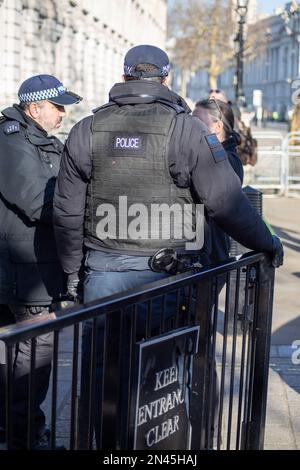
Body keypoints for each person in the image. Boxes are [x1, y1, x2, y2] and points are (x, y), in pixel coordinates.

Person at [53, 45, 283, 447]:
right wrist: (268, 243)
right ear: (167, 79)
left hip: (103, 279)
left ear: (124, 78)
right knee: (166, 381)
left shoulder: (85, 129)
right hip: (168, 280)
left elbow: (67, 214)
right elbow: (227, 202)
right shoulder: (186, 130)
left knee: (103, 377)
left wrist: (73, 275)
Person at [0, 74, 82, 449]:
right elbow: (38, 201)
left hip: (32, 264)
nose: (63, 113)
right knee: (34, 353)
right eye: (58, 106)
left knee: (24, 353)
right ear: (35, 108)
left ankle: (17, 428)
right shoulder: (12, 141)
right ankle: (26, 435)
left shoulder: (38, 138)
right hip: (24, 269)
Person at [193, 98, 243, 264]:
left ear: (218, 126)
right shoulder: (211, 153)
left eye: (198, 122)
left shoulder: (227, 160)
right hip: (201, 249)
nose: (191, 126)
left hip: (210, 254)